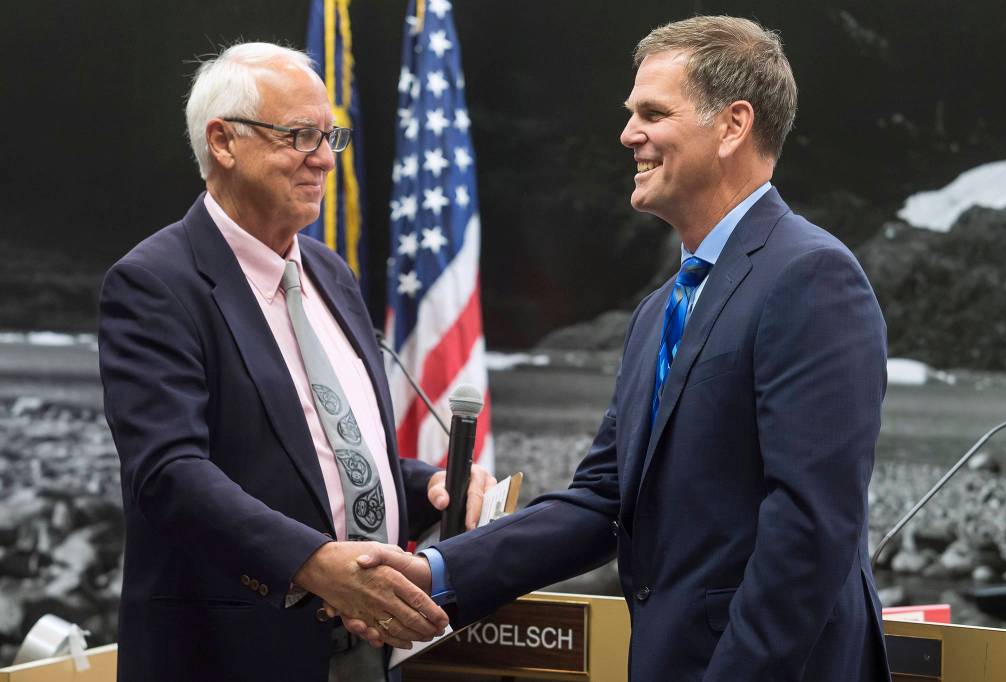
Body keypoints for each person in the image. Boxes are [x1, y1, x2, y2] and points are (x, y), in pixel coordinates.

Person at [353, 16, 891, 681]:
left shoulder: (813, 278)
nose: (627, 133)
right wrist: (433, 572)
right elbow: (601, 502)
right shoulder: (657, 313)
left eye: (652, 113)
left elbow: (808, 533)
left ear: (734, 124)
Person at [98, 42, 493, 682]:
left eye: (328, 135)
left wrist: (425, 487)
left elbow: (325, 453)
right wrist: (313, 562)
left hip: (367, 651)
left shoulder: (330, 274)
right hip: (230, 654)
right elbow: (168, 473)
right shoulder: (155, 283)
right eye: (299, 136)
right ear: (223, 142)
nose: (323, 160)